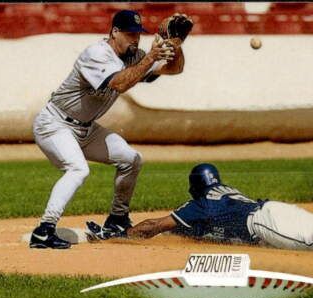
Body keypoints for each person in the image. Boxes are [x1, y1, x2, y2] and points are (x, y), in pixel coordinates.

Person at [30, 10, 192, 249]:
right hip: (54, 124)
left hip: (85, 129)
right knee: (77, 169)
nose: (135, 39)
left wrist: (176, 45)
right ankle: (44, 231)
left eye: (138, 34)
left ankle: (117, 219)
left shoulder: (133, 55)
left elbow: (173, 69)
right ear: (114, 32)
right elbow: (119, 83)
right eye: (129, 34)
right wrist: (149, 58)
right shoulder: (96, 53)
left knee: (131, 159)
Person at [87, 163, 313, 255]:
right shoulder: (223, 195)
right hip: (274, 211)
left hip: (265, 225)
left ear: (195, 187)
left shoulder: (199, 203)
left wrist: (122, 234)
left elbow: (155, 226)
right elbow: (187, 228)